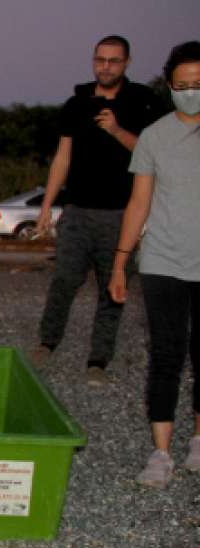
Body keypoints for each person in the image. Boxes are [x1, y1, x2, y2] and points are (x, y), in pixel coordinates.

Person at [31, 34, 167, 385]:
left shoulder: (143, 102)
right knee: (63, 280)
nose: (105, 67)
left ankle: (98, 361)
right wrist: (47, 204)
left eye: (113, 61)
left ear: (127, 63)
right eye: (100, 60)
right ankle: (47, 342)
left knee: (113, 288)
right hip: (77, 210)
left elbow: (151, 153)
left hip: (122, 213)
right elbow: (63, 155)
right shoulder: (76, 104)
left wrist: (116, 130)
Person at [107, 40, 200, 488]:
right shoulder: (155, 135)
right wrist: (121, 262)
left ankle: (199, 442)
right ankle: (161, 451)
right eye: (181, 85)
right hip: (163, 259)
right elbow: (139, 202)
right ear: (169, 85)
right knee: (166, 355)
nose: (189, 92)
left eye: (198, 85)